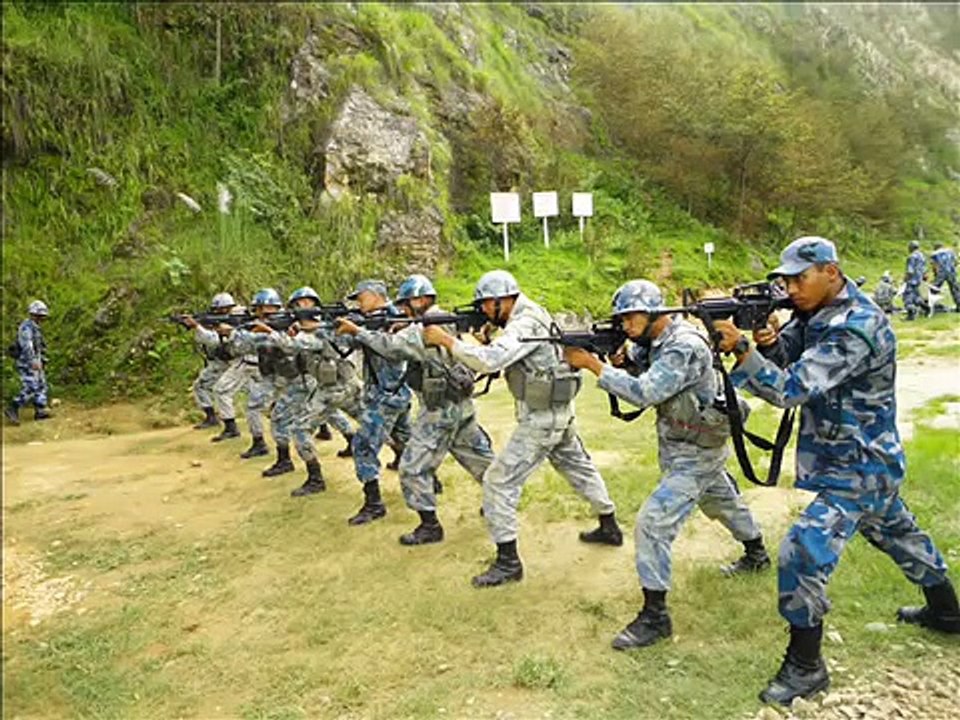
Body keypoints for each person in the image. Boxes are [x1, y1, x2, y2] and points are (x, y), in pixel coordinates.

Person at [712, 236, 959, 706]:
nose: (791, 289)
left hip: (859, 467)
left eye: (798, 279)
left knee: (803, 551)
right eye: (785, 281)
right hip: (862, 463)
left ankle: (806, 666)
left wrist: (744, 351)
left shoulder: (857, 326)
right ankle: (947, 614)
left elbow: (790, 388)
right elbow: (792, 355)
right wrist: (769, 341)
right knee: (899, 534)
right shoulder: (820, 314)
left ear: (830, 271)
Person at [564, 280, 770, 650]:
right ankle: (757, 553)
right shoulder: (657, 342)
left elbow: (647, 392)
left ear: (653, 313)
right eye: (621, 320)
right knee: (721, 500)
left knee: (652, 523)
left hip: (697, 450)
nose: (625, 326)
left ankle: (655, 616)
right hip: (689, 442)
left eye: (630, 318)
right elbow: (645, 373)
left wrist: (594, 366)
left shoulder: (682, 346)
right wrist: (623, 361)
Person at [423, 270, 623, 588]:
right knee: (579, 467)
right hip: (558, 412)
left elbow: (490, 361)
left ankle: (508, 562)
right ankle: (609, 525)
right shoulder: (530, 313)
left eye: (487, 305)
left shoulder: (524, 321)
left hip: (542, 419)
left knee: (499, 482)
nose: (484, 312)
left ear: (503, 300)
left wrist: (446, 341)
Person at [337, 274, 496, 545]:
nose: (403, 309)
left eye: (406, 304)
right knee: (479, 458)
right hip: (462, 405)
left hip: (438, 412)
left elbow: (393, 347)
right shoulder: (446, 319)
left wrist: (358, 332)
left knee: (412, 468)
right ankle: (498, 501)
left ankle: (430, 526)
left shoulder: (426, 327)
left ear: (420, 300)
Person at [335, 280, 412, 525]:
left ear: (375, 295)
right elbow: (348, 344)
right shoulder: (372, 319)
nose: (359, 302)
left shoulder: (397, 318)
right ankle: (430, 480)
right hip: (396, 393)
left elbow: (392, 348)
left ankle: (374, 504)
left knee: (364, 447)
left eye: (362, 297)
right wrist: (322, 329)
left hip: (385, 397)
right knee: (406, 439)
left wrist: (357, 330)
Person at [228, 288, 283, 459]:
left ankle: (347, 437)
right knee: (253, 407)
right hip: (270, 375)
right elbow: (239, 348)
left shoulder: (287, 323)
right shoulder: (256, 327)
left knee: (319, 409)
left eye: (268, 309)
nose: (263, 313)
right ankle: (260, 444)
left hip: (292, 376)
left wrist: (269, 332)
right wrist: (250, 333)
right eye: (260, 309)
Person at [185, 292, 236, 428]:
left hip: (224, 362)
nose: (219, 312)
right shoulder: (220, 321)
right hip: (225, 362)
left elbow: (213, 341)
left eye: (222, 309)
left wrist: (197, 326)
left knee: (201, 387)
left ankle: (214, 418)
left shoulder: (232, 323)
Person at [5, 300, 52, 425]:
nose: (41, 318)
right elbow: (27, 346)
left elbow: (39, 346)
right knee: (30, 386)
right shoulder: (26, 327)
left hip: (36, 361)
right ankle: (13, 407)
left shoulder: (36, 328)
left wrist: (42, 359)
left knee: (41, 384)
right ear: (33, 314)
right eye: (39, 315)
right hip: (27, 362)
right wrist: (33, 360)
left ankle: (40, 410)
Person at [930, 242, 960, 311]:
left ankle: (931, 305)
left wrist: (935, 274)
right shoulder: (950, 251)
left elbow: (934, 265)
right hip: (951, 272)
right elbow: (956, 262)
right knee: (955, 289)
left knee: (934, 289)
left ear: (935, 248)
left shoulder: (934, 254)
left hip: (941, 273)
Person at [902, 240, 926, 321]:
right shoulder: (922, 256)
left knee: (907, 297)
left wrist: (905, 278)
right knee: (916, 296)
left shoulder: (912, 256)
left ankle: (911, 315)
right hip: (919, 279)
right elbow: (924, 269)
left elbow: (910, 271)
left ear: (911, 247)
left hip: (912, 280)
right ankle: (926, 307)